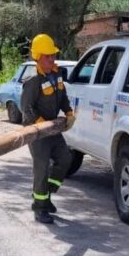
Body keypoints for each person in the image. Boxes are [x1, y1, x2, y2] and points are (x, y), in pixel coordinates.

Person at [21, 33, 76, 224]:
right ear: (37, 56)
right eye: (47, 56)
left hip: (52, 129)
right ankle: (39, 207)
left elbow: (62, 97)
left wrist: (69, 112)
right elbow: (26, 107)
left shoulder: (56, 75)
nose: (51, 58)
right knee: (41, 168)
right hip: (37, 133)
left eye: (52, 55)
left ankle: (47, 195)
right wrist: (40, 122)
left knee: (65, 159)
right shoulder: (33, 81)